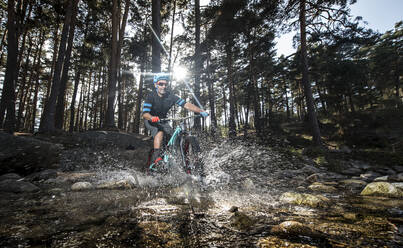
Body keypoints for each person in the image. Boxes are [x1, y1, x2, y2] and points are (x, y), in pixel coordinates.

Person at [142, 74, 208, 168]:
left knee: (174, 137)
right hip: (150, 120)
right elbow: (145, 114)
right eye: (161, 84)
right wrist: (152, 117)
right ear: (156, 84)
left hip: (163, 121)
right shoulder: (151, 96)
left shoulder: (170, 96)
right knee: (159, 131)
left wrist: (201, 111)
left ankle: (176, 160)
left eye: (165, 84)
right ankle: (156, 158)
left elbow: (186, 104)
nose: (163, 86)